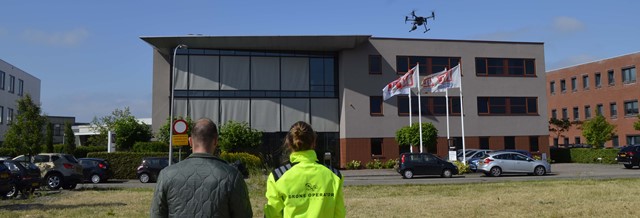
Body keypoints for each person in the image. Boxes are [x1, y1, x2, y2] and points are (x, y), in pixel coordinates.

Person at [150, 118, 252, 218]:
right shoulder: (232, 176)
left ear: (190, 141)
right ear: (216, 141)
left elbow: (157, 214)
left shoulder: (166, 175)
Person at [264, 121, 345, 217]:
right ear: (314, 142)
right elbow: (339, 214)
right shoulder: (334, 175)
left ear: (289, 143)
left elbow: (272, 214)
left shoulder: (277, 177)